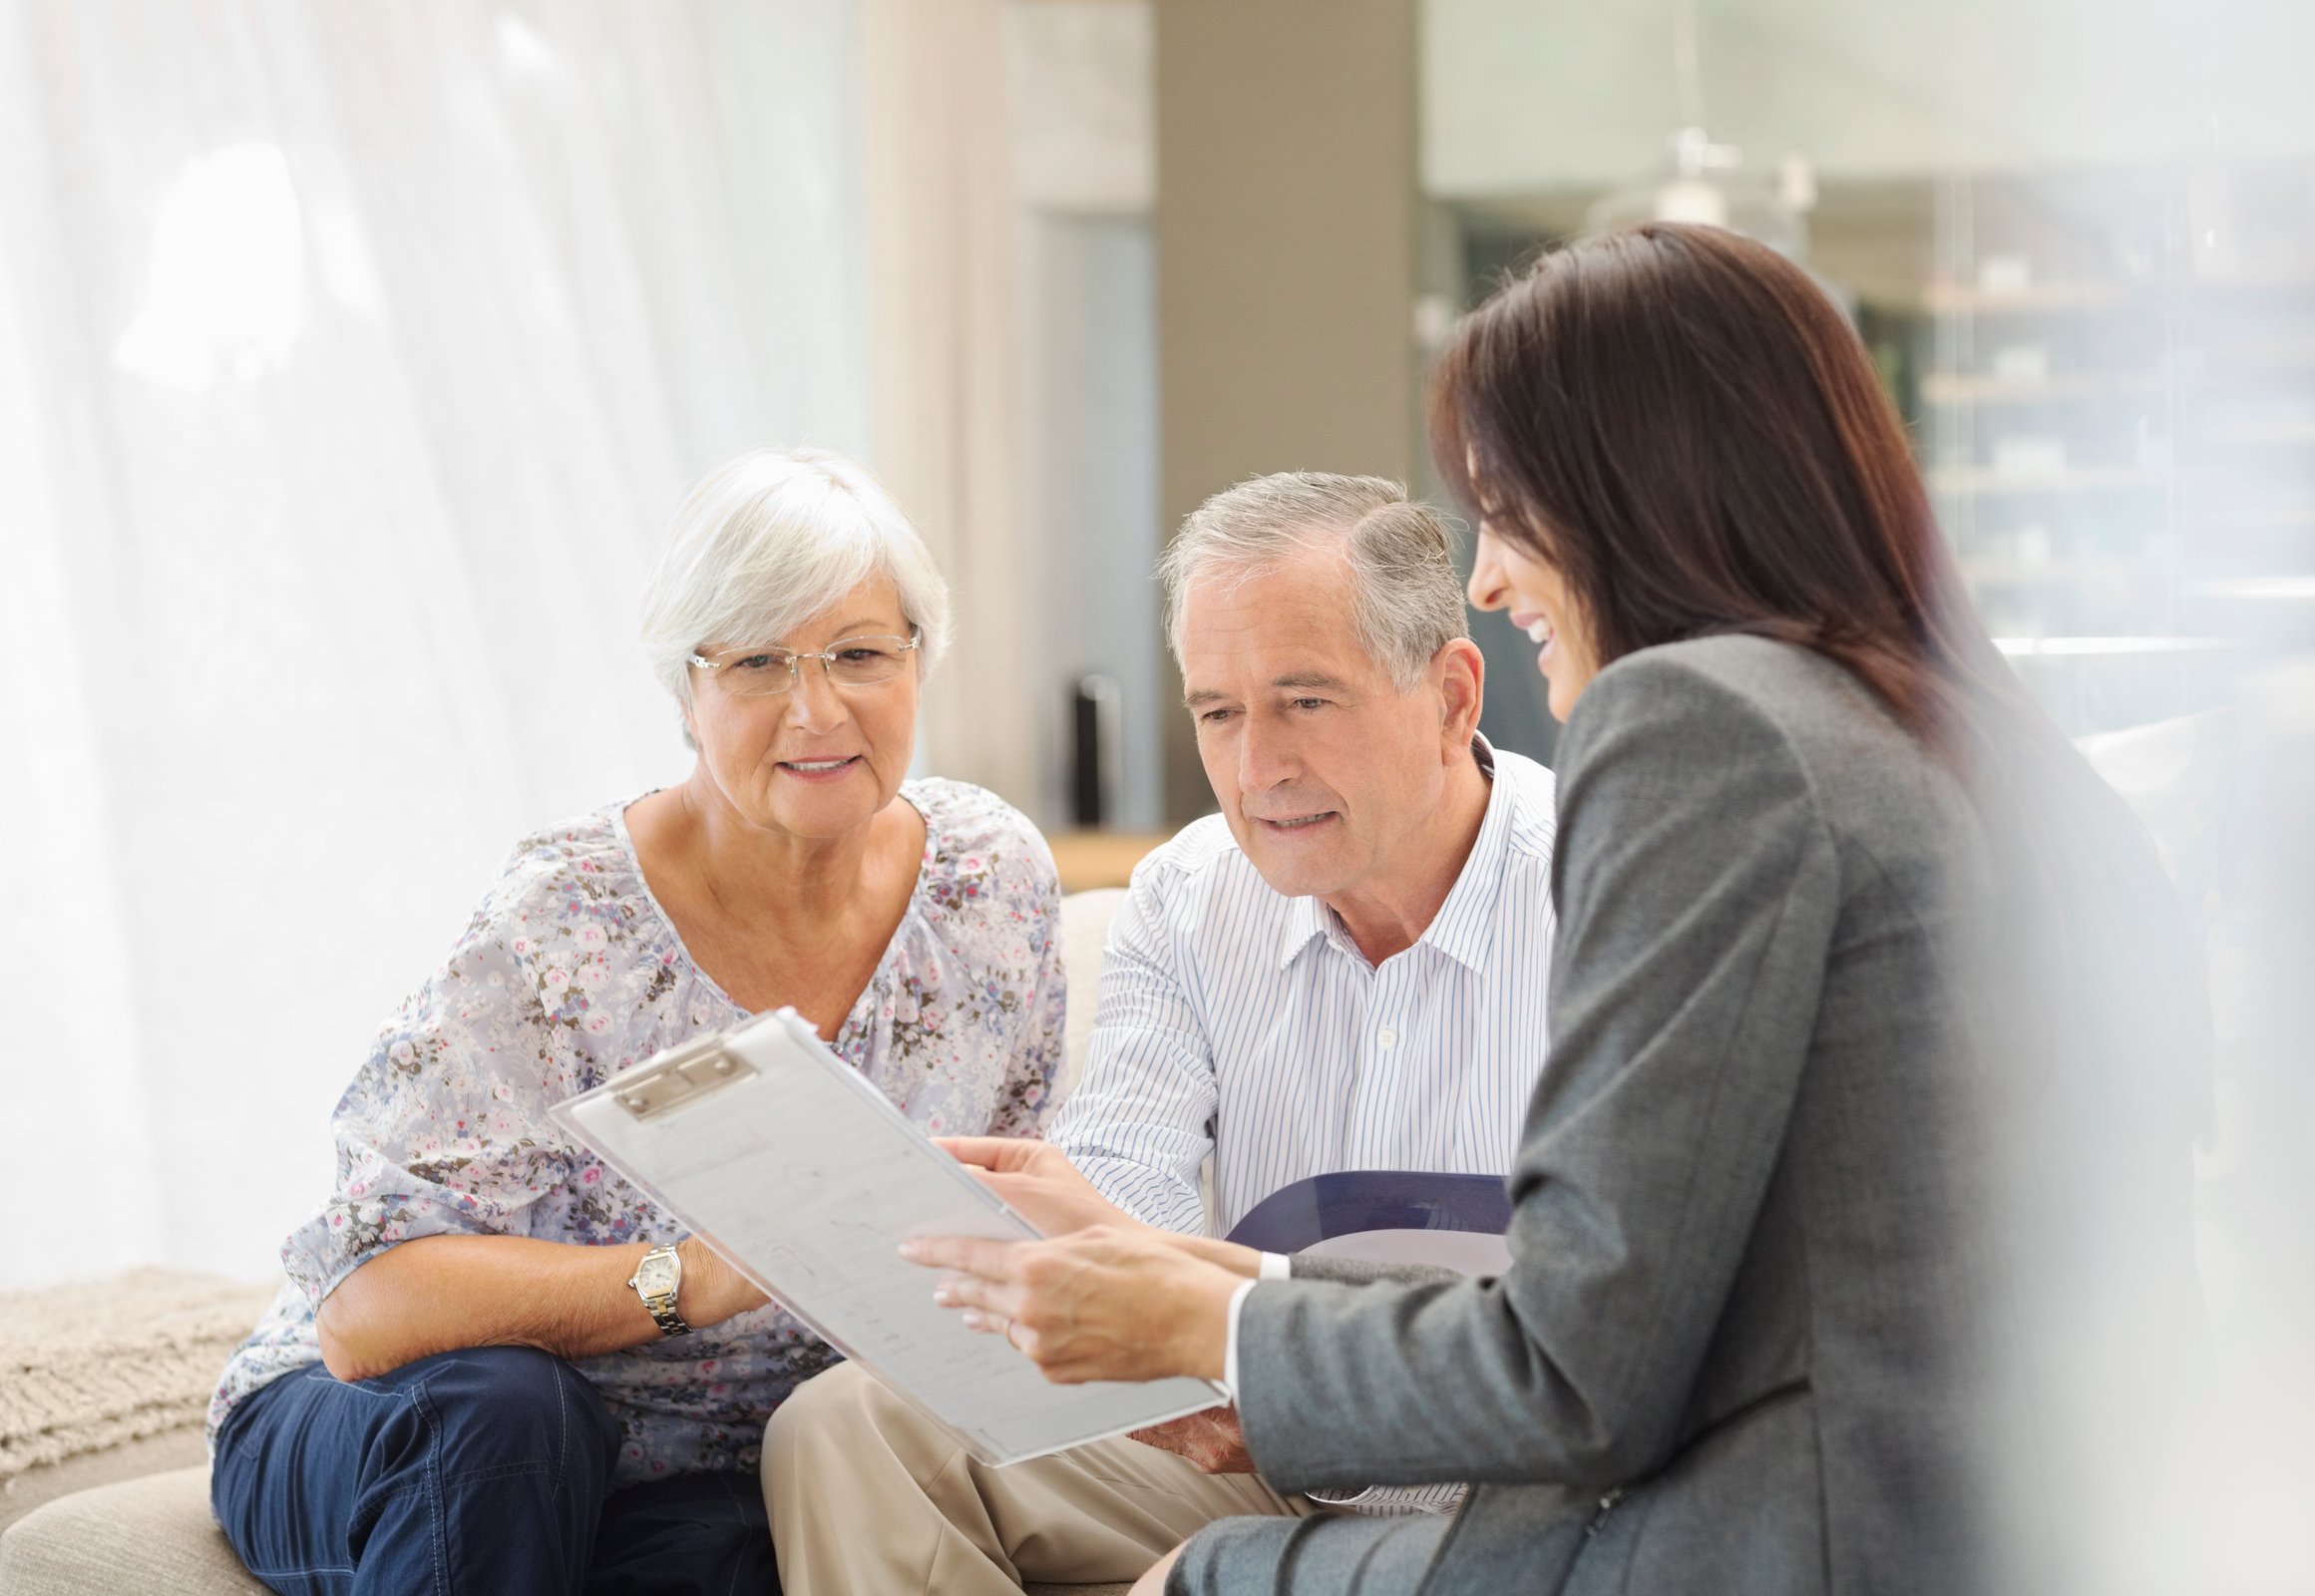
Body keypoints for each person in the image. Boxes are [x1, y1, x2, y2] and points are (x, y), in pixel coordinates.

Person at [906, 221, 2205, 1596]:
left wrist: (1217, 1326)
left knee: (1202, 1577)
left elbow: (1583, 1372)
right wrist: (1234, 1306)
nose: (1485, 572)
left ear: (1639, 487)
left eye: (1505, 506)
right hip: (1972, 1536)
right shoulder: (1953, 744)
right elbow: (1665, 1298)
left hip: (1778, 1544)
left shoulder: (1706, 731)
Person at [207, 447, 1066, 1596]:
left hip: (696, 1466)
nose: (817, 708)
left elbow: (1007, 1223)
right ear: (685, 690)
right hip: (397, 1417)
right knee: (516, 1419)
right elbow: (367, 1311)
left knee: (761, 1540)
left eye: (860, 653)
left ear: (921, 662)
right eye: (758, 661)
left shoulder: (989, 884)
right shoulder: (562, 920)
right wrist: (687, 1278)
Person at [759, 472, 1558, 1594]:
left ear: (1453, 696)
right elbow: (1125, 1205)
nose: (1254, 770)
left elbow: (1600, 1335)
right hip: (1269, 1446)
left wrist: (1237, 1330)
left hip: (1522, 1472)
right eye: (1218, 711)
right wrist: (1067, 1247)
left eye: (1305, 701)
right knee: (850, 1424)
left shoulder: (1609, 892)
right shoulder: (1188, 896)